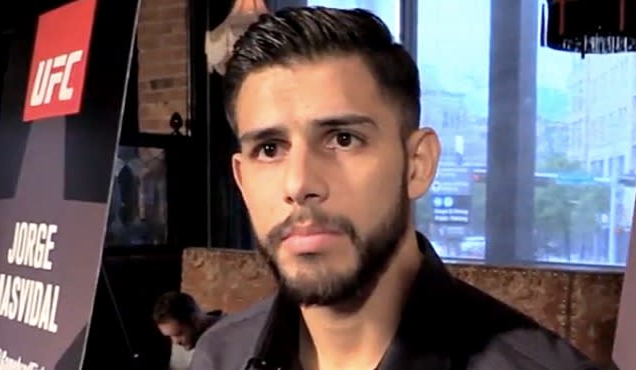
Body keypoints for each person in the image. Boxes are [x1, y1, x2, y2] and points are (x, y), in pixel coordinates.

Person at [188, 6, 609, 370]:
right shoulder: (219, 355)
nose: (299, 184)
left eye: (343, 139)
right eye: (269, 148)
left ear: (417, 165)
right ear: (242, 180)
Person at [152, 291, 224, 370]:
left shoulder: (228, 335)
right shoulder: (184, 342)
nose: (175, 342)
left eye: (178, 334)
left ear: (195, 320)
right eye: (170, 336)